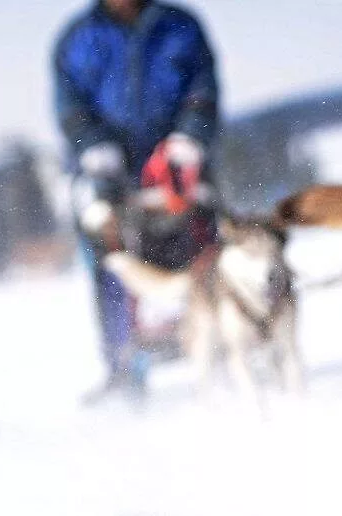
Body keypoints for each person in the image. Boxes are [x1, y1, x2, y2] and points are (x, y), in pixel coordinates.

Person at [54, 0, 219, 400]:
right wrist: (92, 147)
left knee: (208, 248)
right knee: (108, 253)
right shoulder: (76, 39)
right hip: (108, 168)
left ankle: (222, 341)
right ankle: (124, 364)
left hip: (177, 161)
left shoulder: (180, 26)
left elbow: (202, 91)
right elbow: (71, 107)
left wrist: (190, 137)